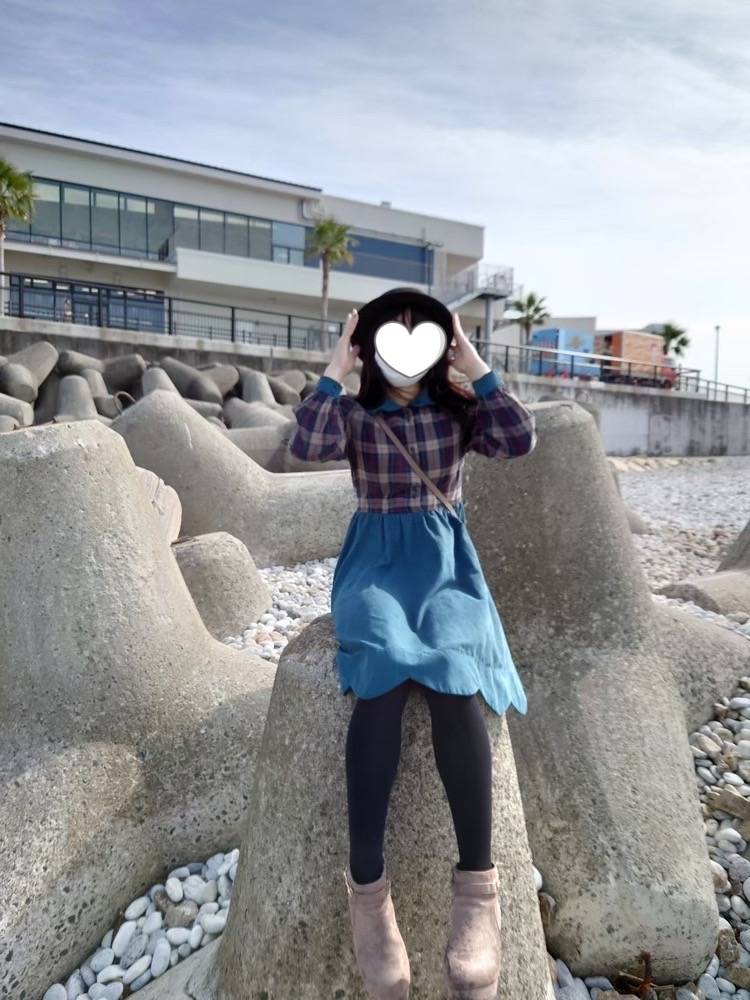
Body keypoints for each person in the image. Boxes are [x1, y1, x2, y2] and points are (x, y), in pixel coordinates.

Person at [288, 287, 537, 1000]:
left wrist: (474, 363)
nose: (404, 351)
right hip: (374, 563)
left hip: (446, 565)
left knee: (456, 680)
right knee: (383, 673)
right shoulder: (355, 413)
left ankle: (478, 892)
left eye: (419, 334)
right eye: (388, 336)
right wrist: (335, 368)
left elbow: (519, 438)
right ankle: (368, 893)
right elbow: (303, 446)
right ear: (368, 345)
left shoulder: (457, 411)